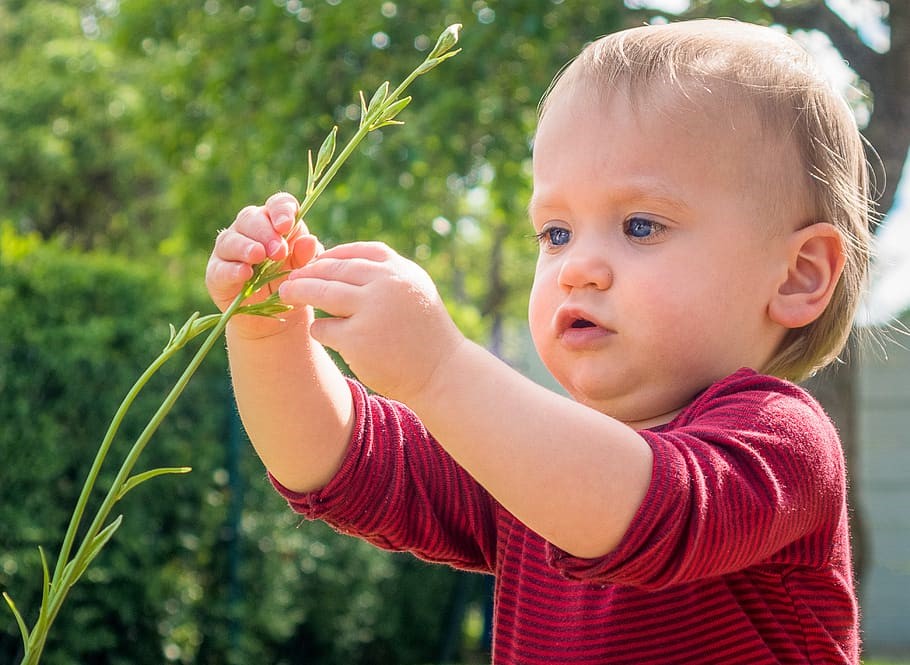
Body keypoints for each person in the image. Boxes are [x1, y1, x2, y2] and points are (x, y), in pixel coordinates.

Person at [205, 18, 869, 664]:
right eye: (555, 232)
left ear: (797, 274)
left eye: (640, 225)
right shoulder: (530, 461)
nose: (577, 265)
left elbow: (647, 512)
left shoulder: (783, 442)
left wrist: (439, 369)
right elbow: (341, 461)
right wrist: (269, 332)